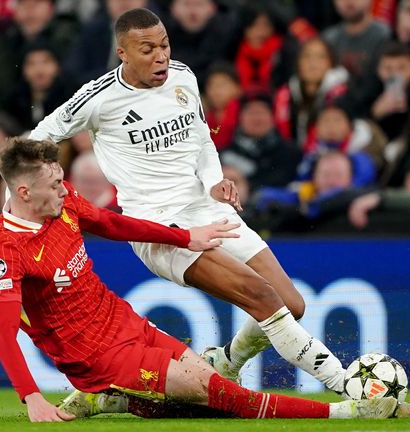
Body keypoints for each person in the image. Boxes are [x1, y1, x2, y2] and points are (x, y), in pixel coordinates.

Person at [29, 7, 359, 396]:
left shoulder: (183, 76)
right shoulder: (100, 98)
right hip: (159, 227)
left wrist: (215, 180)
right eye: (147, 48)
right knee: (262, 297)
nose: (161, 56)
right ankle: (348, 386)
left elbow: (201, 139)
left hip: (207, 208)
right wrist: (38, 192)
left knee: (292, 303)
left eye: (165, 45)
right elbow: (40, 137)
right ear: (123, 53)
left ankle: (226, 363)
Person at [0, 137, 410, 422]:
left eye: (62, 179)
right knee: (226, 399)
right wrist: (32, 397)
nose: (65, 188)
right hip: (95, 355)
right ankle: (349, 411)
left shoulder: (65, 203)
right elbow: (4, 335)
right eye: (55, 183)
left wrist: (187, 237)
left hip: (128, 323)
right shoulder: (4, 250)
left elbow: (117, 225)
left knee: (208, 388)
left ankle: (111, 399)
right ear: (23, 193)